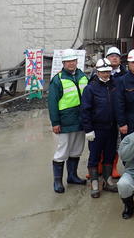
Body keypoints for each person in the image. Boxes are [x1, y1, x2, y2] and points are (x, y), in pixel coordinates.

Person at [48, 49, 88, 193]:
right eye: (68, 61)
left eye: (73, 61)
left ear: (77, 61)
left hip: (81, 121)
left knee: (77, 149)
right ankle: (57, 181)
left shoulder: (83, 76)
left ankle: (72, 176)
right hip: (65, 121)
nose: (71, 63)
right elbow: (52, 103)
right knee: (62, 151)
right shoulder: (57, 80)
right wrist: (55, 122)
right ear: (63, 63)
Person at [81, 58, 118, 198]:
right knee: (94, 156)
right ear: (97, 72)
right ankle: (95, 182)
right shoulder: (90, 88)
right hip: (97, 129)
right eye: (103, 72)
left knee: (110, 154)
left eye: (108, 71)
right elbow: (85, 110)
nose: (106, 74)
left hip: (111, 128)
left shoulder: (114, 85)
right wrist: (88, 129)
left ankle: (108, 180)